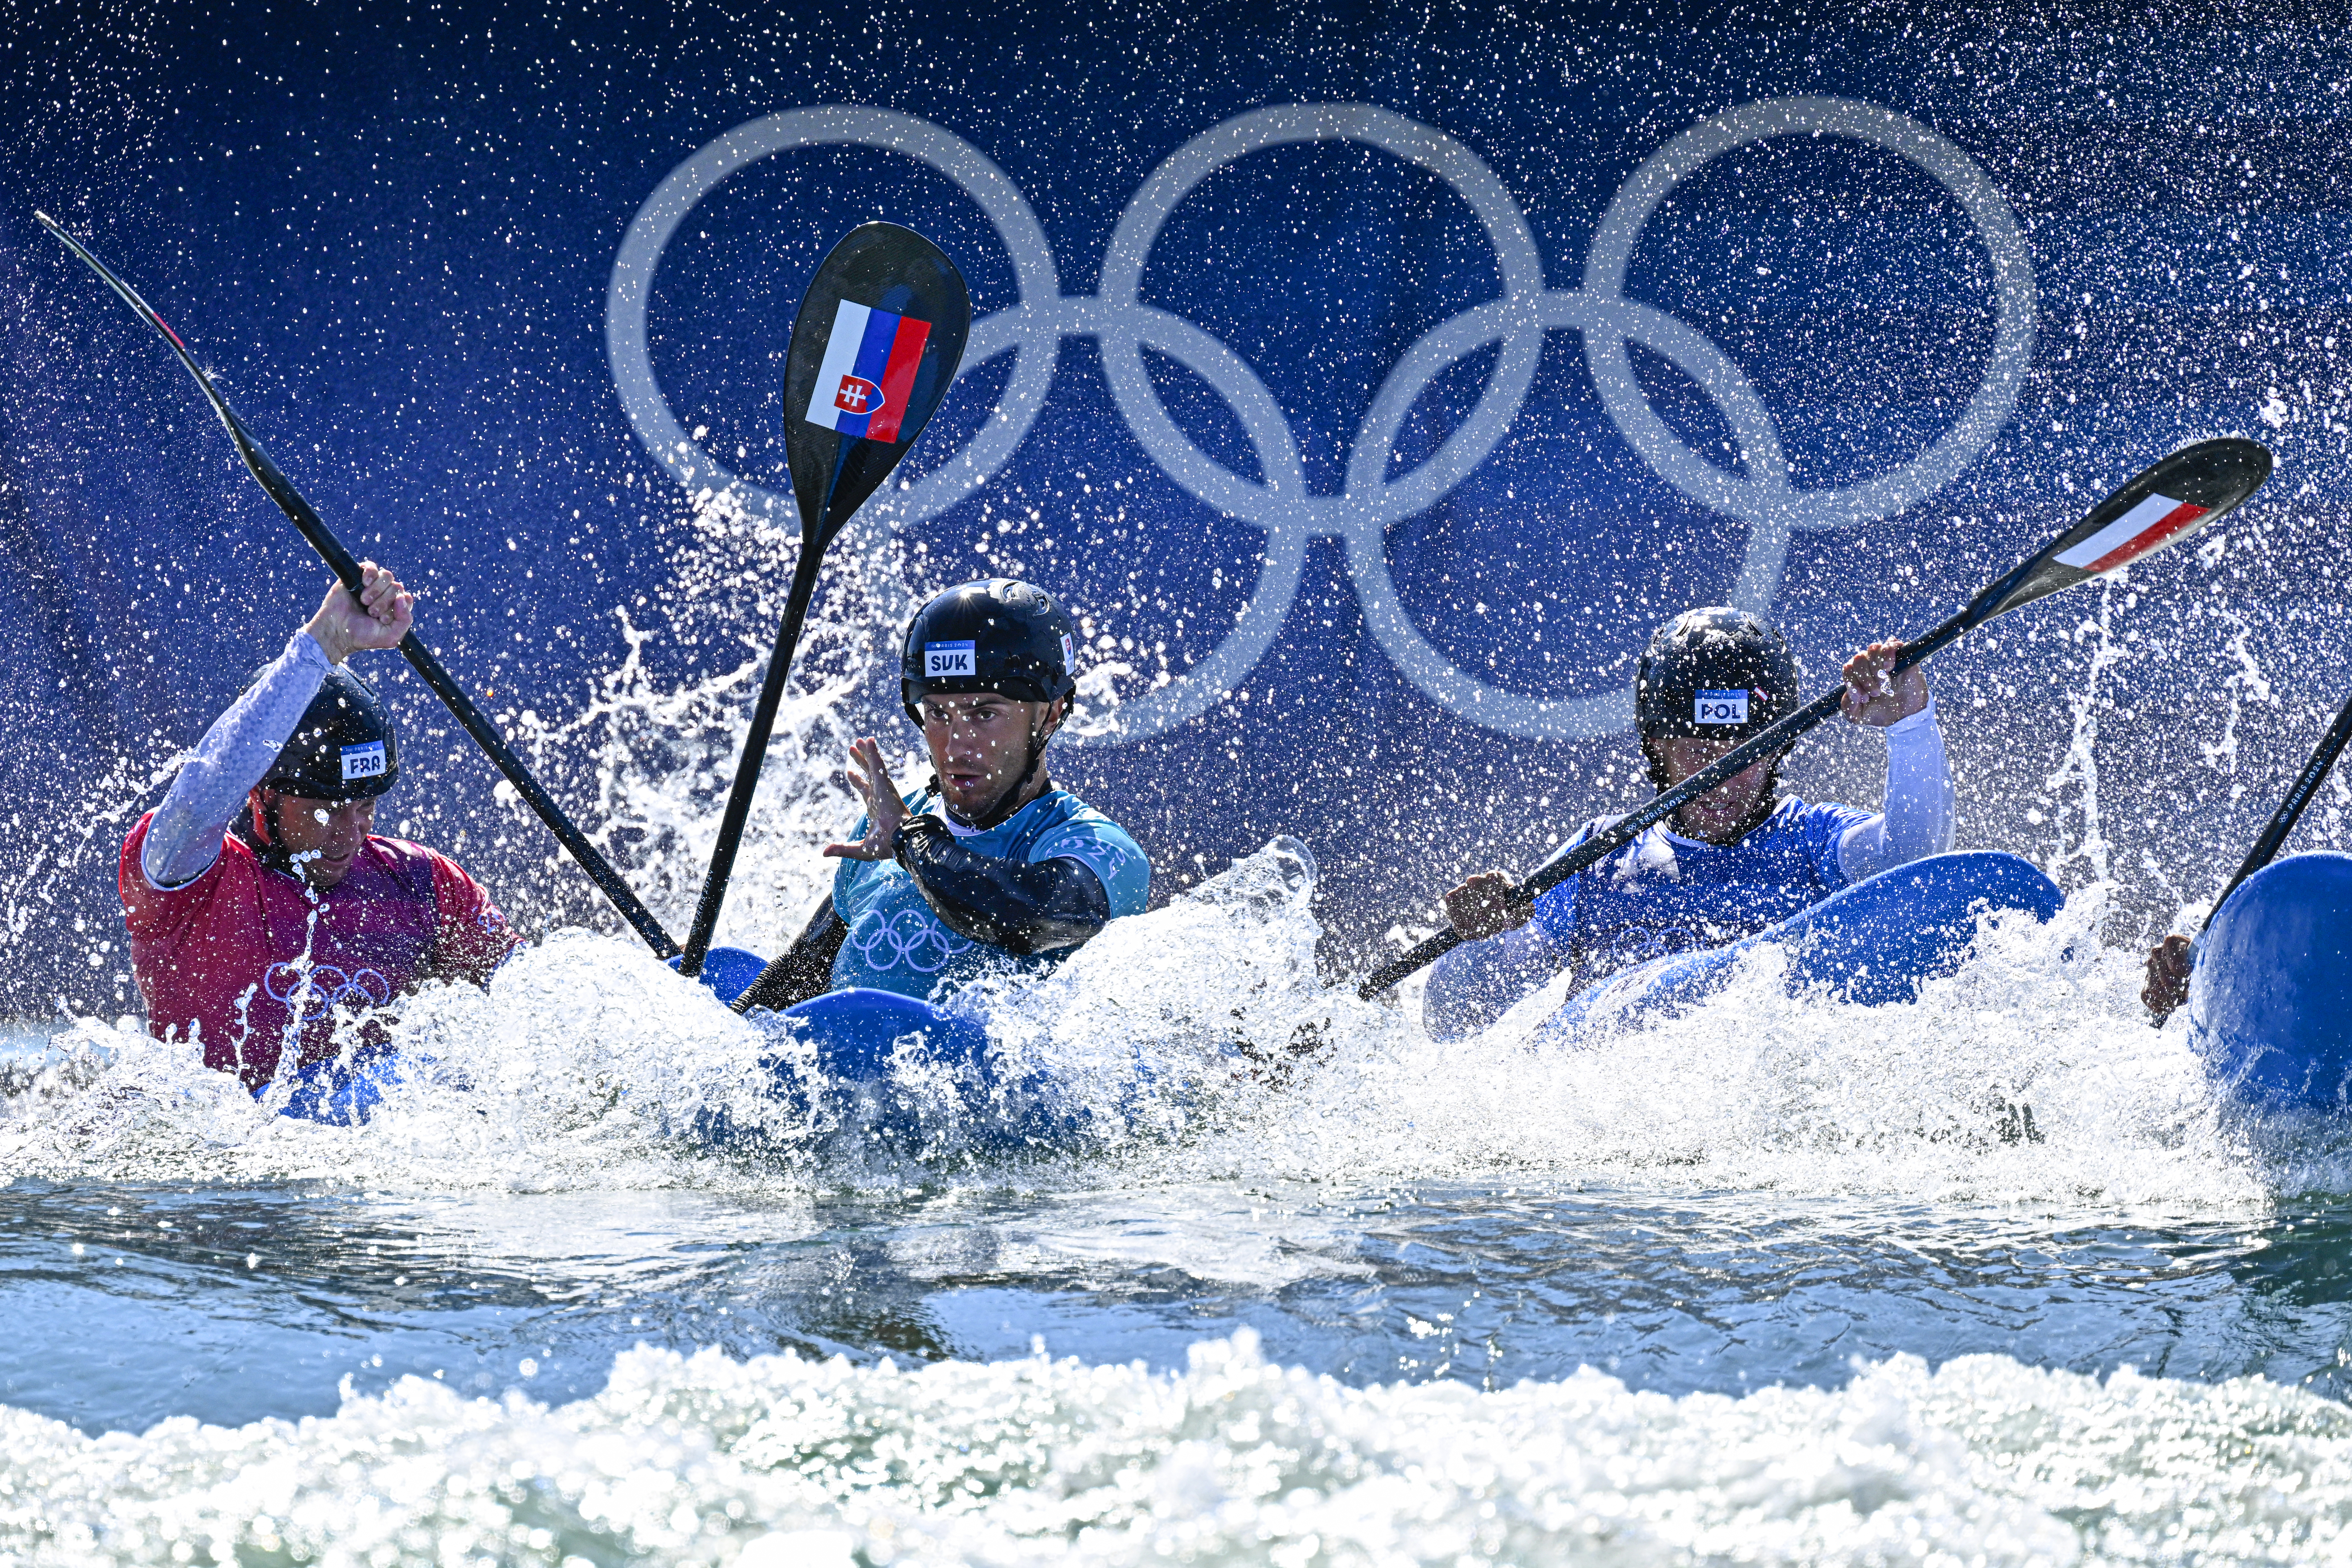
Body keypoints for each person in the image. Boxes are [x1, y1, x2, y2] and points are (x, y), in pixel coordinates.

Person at [1424, 606, 1956, 1038]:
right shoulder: (1597, 858)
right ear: (1657, 745)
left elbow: (1913, 863)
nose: (1722, 779)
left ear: (1778, 750)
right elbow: (1452, 1020)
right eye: (1698, 751)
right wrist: (1484, 939)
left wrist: (1910, 725)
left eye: (1744, 752)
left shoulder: (1815, 841)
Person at [119, 563, 519, 1091]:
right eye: (328, 809)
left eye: (366, 807)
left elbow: (532, 1005)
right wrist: (323, 643)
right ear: (262, 793)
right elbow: (208, 785)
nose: (351, 834)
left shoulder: (423, 884)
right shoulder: (185, 875)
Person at [733, 579, 1150, 1012]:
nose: (955, 747)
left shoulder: (1095, 848)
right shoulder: (899, 820)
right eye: (938, 713)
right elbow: (800, 978)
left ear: (1052, 712)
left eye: (984, 714)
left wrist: (910, 842)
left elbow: (1035, 916)